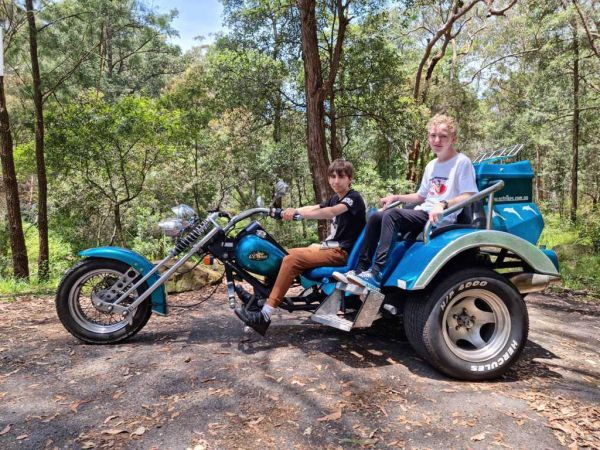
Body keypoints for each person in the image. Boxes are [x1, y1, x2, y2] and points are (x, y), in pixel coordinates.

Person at [339, 113, 478, 291]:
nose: (437, 140)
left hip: (439, 217)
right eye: (433, 135)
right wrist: (396, 197)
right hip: (423, 212)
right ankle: (360, 270)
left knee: (392, 215)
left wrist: (443, 204)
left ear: (453, 139)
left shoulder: (461, 162)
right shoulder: (432, 165)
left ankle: (376, 273)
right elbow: (421, 196)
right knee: (376, 217)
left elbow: (469, 194)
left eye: (443, 136)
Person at [235, 159, 366, 335]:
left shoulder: (353, 198)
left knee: (293, 259)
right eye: (332, 177)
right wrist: (293, 210)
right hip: (328, 248)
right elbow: (316, 206)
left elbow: (330, 212)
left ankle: (265, 315)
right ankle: (259, 297)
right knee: (282, 254)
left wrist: (301, 215)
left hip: (341, 253)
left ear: (349, 179)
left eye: (341, 177)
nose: (336, 181)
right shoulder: (335, 197)